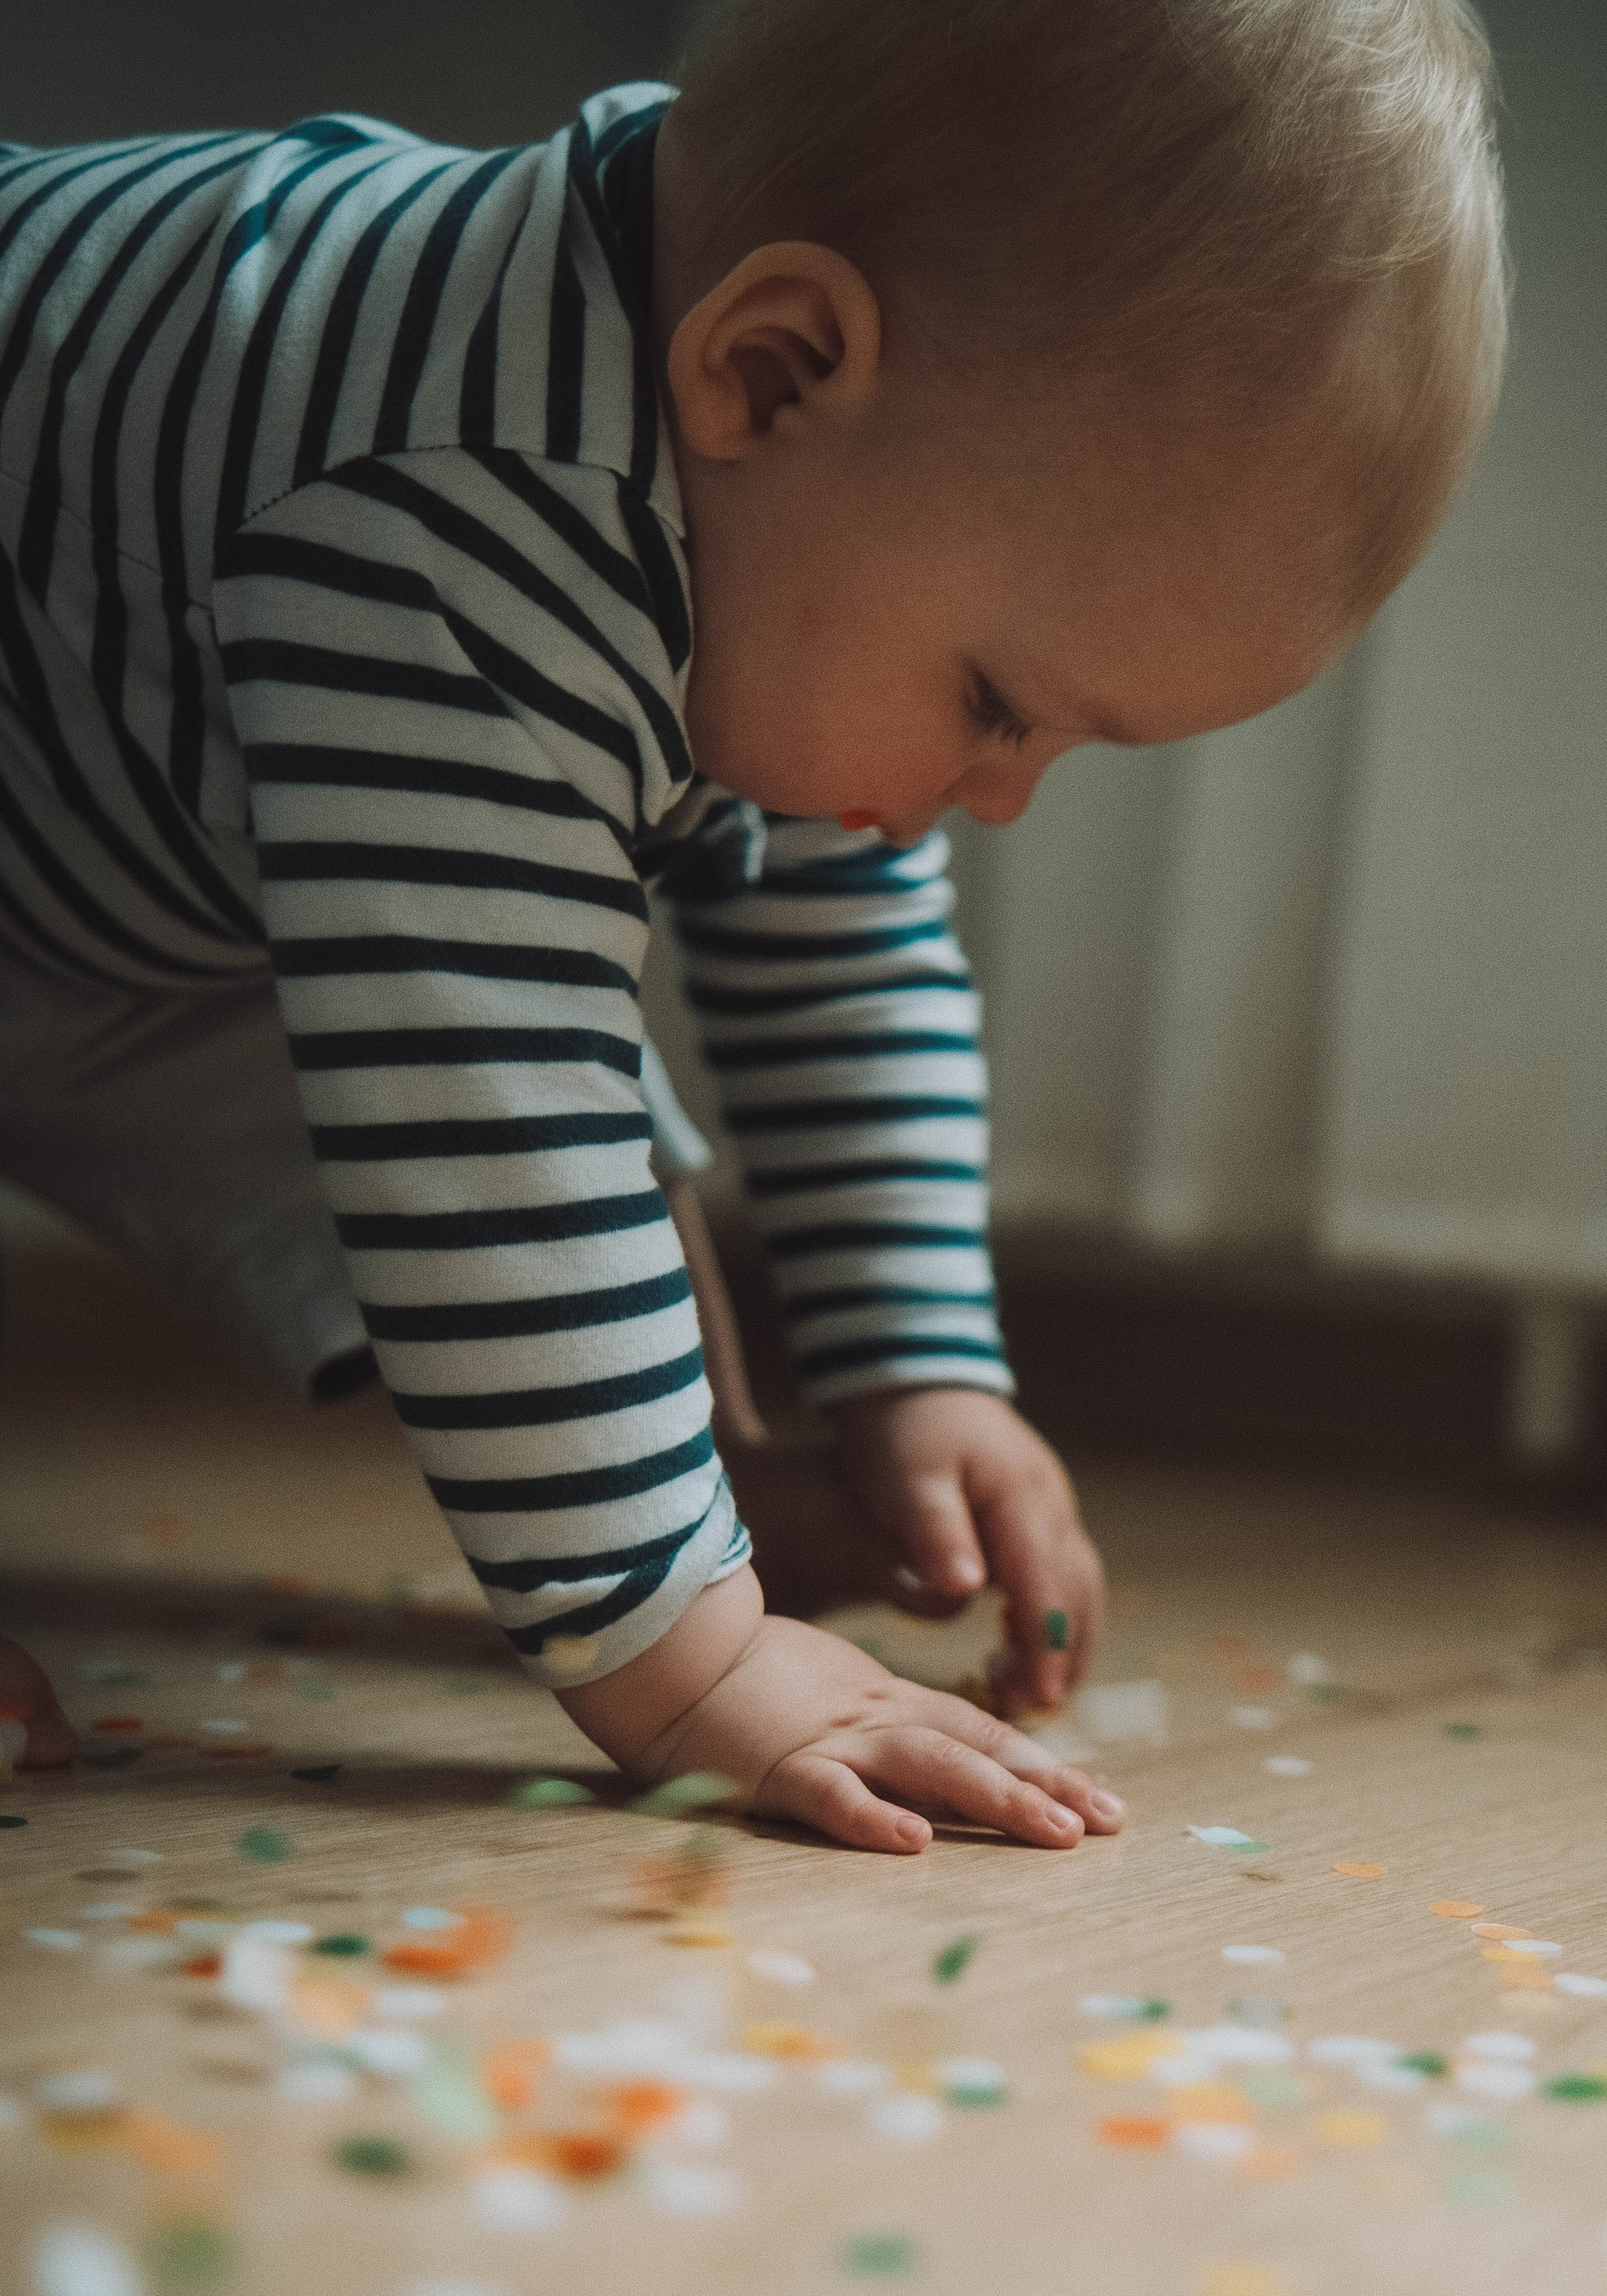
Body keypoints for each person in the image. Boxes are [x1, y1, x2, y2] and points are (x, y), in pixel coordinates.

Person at [0, 0, 1508, 1851]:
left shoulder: (764, 459)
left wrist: (916, 1368)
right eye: (996, 701)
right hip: (78, 814)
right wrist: (686, 1661)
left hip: (115, 859)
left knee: (570, 1132)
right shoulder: (478, 503)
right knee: (509, 1105)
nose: (1000, 791)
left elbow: (845, 950)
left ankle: (684, 1484)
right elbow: (493, 1114)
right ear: (775, 369)